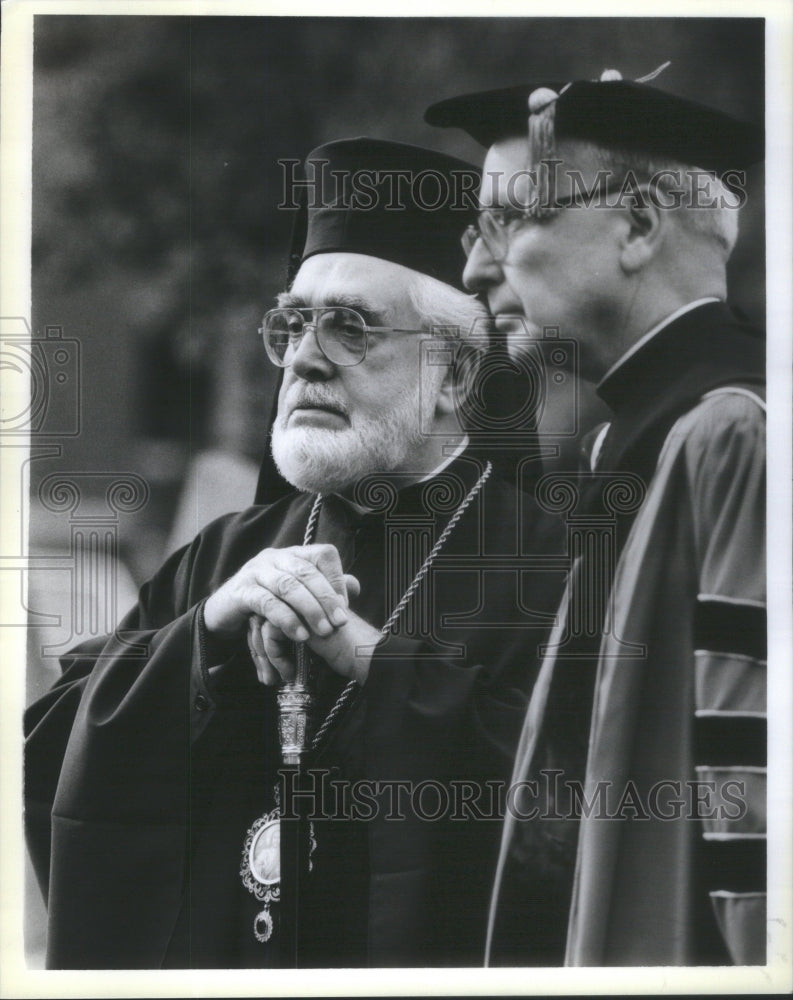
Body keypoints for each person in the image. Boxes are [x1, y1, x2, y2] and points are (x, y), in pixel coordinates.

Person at [24, 137, 565, 969]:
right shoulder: (228, 555)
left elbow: (575, 822)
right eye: (292, 323)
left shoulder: (551, 566)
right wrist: (200, 641)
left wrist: (371, 664)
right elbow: (49, 750)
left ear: (453, 376)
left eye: (349, 328)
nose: (305, 357)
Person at [426, 71, 766, 965]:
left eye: (514, 218)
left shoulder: (735, 429)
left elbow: (757, 809)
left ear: (640, 226)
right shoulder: (629, 440)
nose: (473, 265)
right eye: (476, 227)